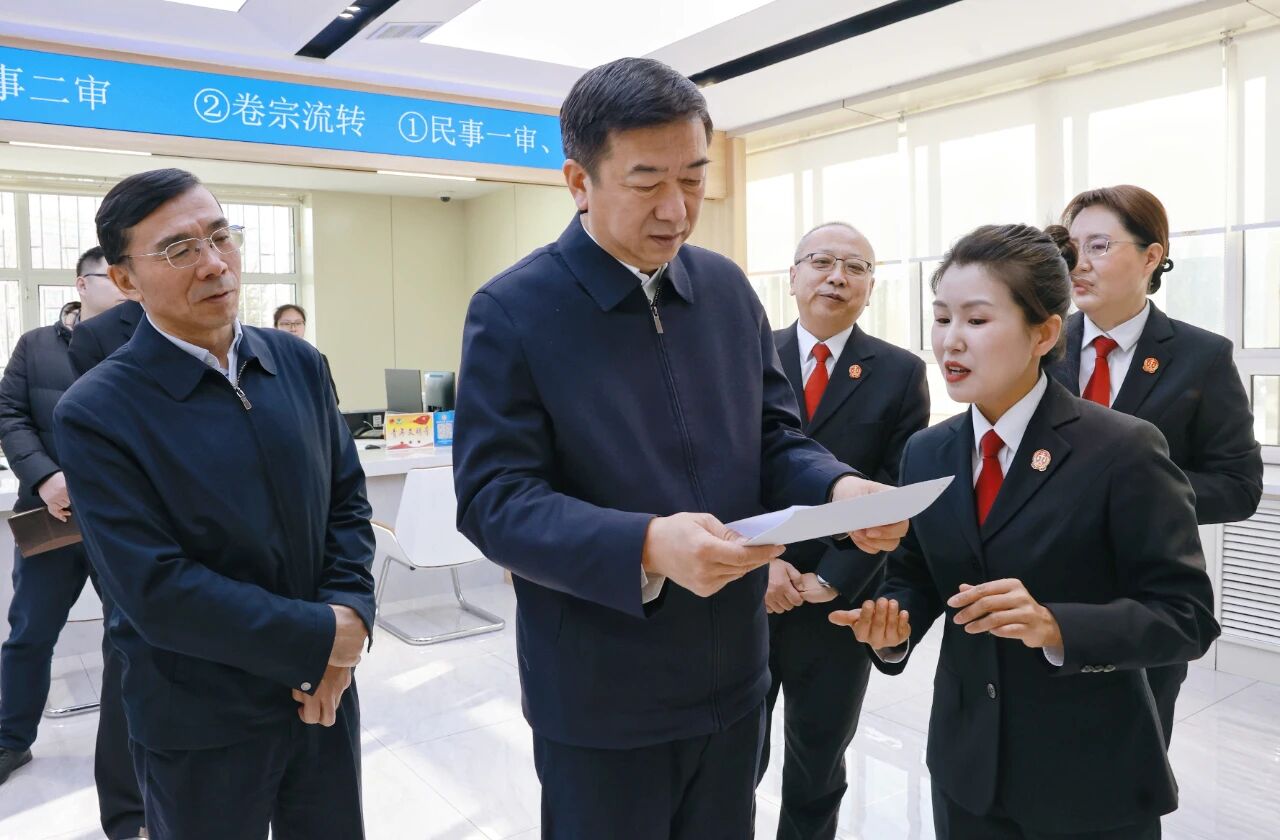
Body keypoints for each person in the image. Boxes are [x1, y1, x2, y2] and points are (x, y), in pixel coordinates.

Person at [452, 58, 907, 840]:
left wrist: (837, 489)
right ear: (579, 181)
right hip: (601, 697)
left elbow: (772, 436)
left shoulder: (725, 291)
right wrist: (647, 545)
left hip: (734, 679)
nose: (677, 210)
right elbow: (495, 501)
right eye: (647, 182)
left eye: (694, 179)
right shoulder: (514, 310)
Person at [833, 223, 1220, 839]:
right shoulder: (927, 452)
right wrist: (893, 625)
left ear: (1043, 333)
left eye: (977, 320)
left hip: (1088, 777)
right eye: (941, 318)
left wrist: (1056, 626)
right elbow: (917, 575)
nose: (951, 340)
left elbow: (1187, 617)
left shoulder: (1122, 450)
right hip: (966, 769)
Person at [53, 168, 375, 840]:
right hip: (199, 719)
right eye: (179, 249)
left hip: (322, 696)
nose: (213, 263)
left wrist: (346, 620)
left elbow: (345, 501)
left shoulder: (298, 364)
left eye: (221, 236)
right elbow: (155, 589)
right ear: (125, 280)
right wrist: (320, 639)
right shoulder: (98, 411)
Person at [1048, 185, 1262, 744]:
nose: (1078, 263)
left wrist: (1137, 489)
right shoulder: (1040, 344)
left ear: (1151, 256)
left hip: (1144, 601)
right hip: (1043, 592)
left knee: (1129, 762)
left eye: (1099, 245)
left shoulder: (1201, 356)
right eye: (1070, 248)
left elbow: (1239, 486)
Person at [761, 222, 929, 840]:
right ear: (793, 277)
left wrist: (833, 578)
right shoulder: (746, 356)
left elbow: (895, 486)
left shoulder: (900, 372)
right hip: (747, 589)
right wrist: (758, 563)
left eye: (855, 268)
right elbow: (719, 471)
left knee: (819, 761)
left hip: (839, 602)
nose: (837, 276)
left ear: (870, 288)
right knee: (732, 757)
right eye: (822, 261)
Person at [0, 245, 144, 840]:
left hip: (121, 523)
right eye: (115, 279)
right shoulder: (36, 346)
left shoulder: (143, 344)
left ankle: (131, 767)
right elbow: (10, 415)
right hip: (51, 516)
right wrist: (46, 476)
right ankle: (11, 739)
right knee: (30, 631)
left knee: (130, 639)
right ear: (84, 285)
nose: (127, 289)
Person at [273, 303, 339, 404]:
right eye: (286, 324)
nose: (293, 328)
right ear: (275, 327)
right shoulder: (268, 359)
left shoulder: (318, 359)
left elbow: (332, 400)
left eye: (298, 323)